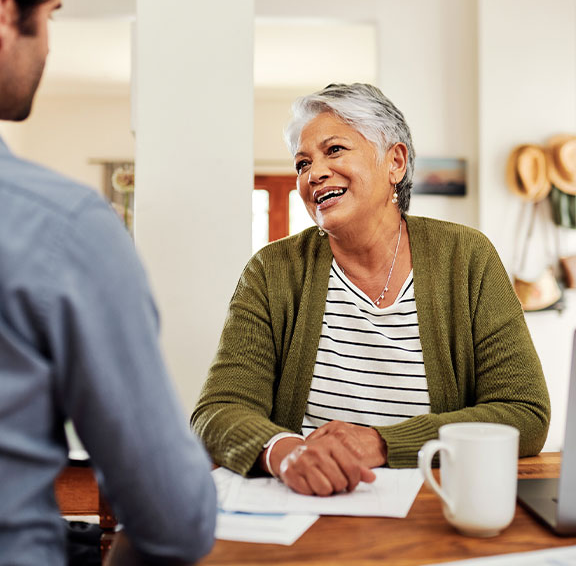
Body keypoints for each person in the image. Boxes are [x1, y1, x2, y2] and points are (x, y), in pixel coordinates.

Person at [192, 82, 551, 497]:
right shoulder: (272, 270)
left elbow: (524, 412)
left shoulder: (467, 257)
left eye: (335, 150)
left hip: (434, 504)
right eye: (302, 164)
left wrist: (382, 443)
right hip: (305, 504)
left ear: (394, 162)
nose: (315, 173)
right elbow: (217, 410)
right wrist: (285, 450)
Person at [0, 0, 216, 566]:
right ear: (1, 11)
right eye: (52, 14)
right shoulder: (63, 226)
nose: (51, 42)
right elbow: (175, 519)